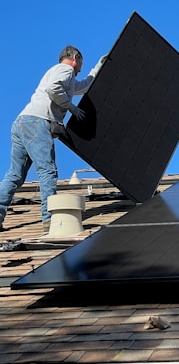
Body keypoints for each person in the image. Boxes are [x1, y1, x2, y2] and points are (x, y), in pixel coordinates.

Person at [0, 45, 106, 233]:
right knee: (47, 170)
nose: (81, 67)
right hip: (37, 122)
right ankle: (50, 220)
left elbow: (82, 86)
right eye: (81, 62)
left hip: (22, 122)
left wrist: (98, 67)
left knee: (15, 175)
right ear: (75, 57)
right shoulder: (65, 70)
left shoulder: (63, 75)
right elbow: (53, 88)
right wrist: (71, 107)